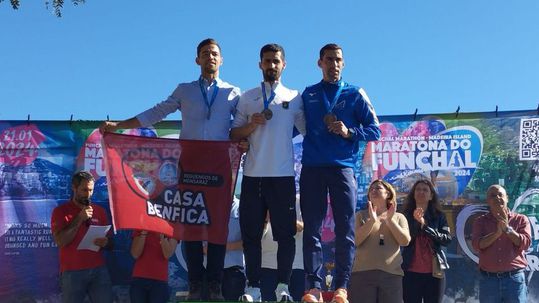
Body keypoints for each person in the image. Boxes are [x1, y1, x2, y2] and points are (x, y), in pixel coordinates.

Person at [100, 38, 241, 301]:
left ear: (221, 60)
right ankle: (196, 282)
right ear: (197, 60)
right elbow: (157, 112)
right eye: (204, 54)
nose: (210, 57)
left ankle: (214, 284)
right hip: (190, 163)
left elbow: (240, 125)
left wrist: (244, 140)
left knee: (218, 223)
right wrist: (120, 125)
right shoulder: (185, 90)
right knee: (190, 221)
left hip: (220, 164)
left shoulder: (233, 92)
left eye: (214, 54)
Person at [300, 43, 381, 303]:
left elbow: (375, 130)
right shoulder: (309, 94)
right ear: (319, 63)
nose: (334, 64)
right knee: (311, 228)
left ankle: (341, 287)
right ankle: (313, 286)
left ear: (343, 64)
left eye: (338, 60)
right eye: (329, 59)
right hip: (312, 168)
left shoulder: (355, 93)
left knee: (345, 227)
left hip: (343, 168)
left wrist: (349, 132)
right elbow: (290, 127)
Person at [230, 43, 305, 302]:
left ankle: (283, 286)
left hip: (283, 176)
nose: (271, 65)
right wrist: (250, 126)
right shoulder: (247, 97)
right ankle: (252, 287)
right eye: (267, 61)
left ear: (284, 65)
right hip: (253, 175)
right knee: (251, 234)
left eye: (276, 61)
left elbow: (308, 130)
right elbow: (233, 133)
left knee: (285, 234)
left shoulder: (295, 97)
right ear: (259, 64)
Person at [51, 171, 113, 303]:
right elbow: (60, 241)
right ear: (74, 188)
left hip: (98, 269)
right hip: (72, 272)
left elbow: (111, 243)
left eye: (91, 190)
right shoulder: (60, 211)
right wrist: (79, 218)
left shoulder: (100, 211)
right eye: (84, 190)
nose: (88, 194)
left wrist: (106, 242)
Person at [350, 179, 410, 303]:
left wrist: (390, 220)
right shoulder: (360, 215)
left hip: (391, 275)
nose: (374, 191)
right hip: (362, 274)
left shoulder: (399, 217)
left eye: (378, 188)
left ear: (388, 194)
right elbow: (355, 241)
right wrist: (371, 221)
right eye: (371, 189)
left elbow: (404, 241)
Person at [471, 184, 531, 303]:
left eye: (500, 194)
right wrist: (497, 233)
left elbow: (525, 244)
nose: (497, 198)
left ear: (507, 198)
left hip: (514, 281)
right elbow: (477, 245)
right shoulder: (480, 221)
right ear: (488, 201)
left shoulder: (521, 219)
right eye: (493, 195)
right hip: (489, 281)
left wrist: (507, 229)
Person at [401, 179, 451, 303]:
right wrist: (416, 223)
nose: (421, 192)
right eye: (418, 189)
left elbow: (446, 239)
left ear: (431, 196)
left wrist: (425, 226)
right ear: (413, 194)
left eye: (425, 190)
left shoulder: (439, 216)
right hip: (410, 272)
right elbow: (404, 240)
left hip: (434, 273)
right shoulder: (405, 215)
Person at [260, 200, 305, 301]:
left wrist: (279, 215)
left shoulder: (300, 199)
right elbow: (256, 236)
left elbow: (302, 227)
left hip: (295, 266)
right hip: (267, 265)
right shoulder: (265, 198)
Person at [130, 231, 178, 303]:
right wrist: (143, 234)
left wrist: (162, 236)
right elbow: (135, 254)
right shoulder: (141, 226)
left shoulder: (173, 227)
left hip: (159, 281)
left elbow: (167, 254)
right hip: (139, 278)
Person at [221, 197, 246, 301]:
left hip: (234, 272)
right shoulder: (208, 206)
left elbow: (250, 242)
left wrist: (220, 248)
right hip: (209, 273)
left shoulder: (243, 207)